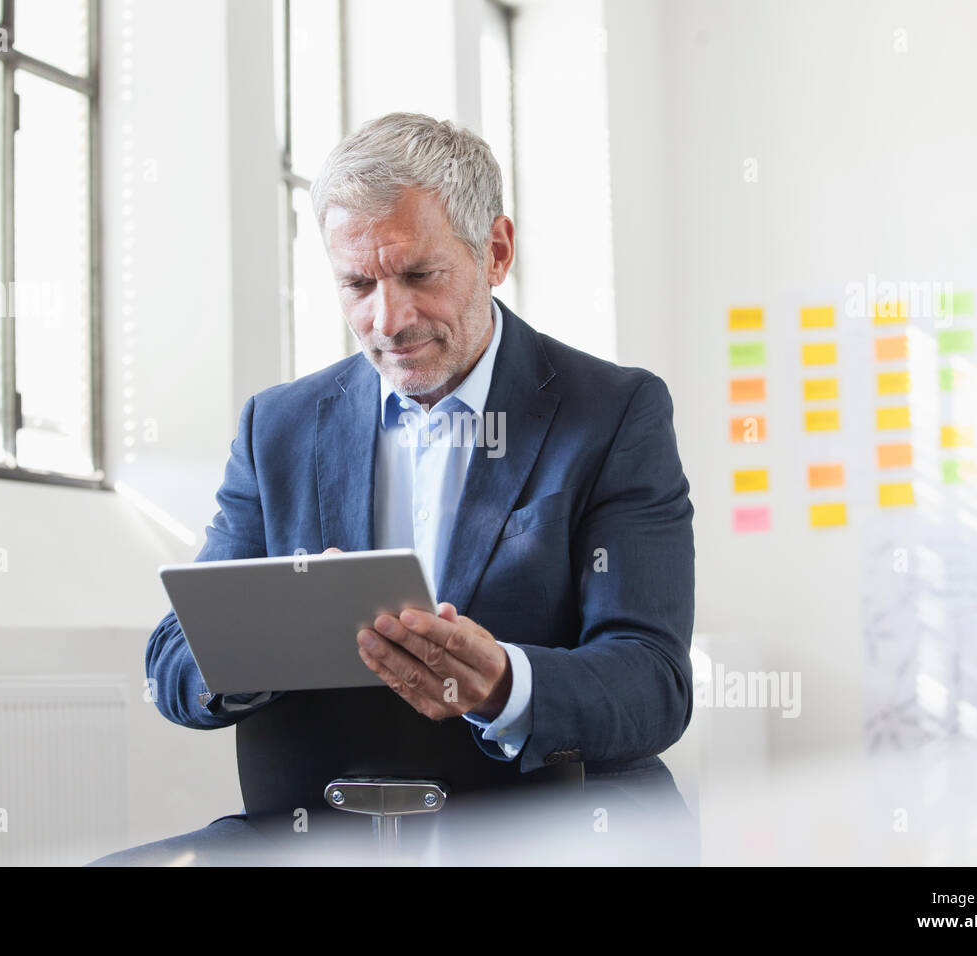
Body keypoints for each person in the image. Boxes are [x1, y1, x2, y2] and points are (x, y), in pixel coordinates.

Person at [90, 112, 697, 865]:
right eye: (357, 284)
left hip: (543, 828)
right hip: (320, 837)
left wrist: (507, 685)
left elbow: (654, 681)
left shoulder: (614, 413)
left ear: (496, 251)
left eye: (419, 275)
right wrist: (261, 643)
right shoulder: (274, 428)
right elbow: (173, 664)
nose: (389, 320)